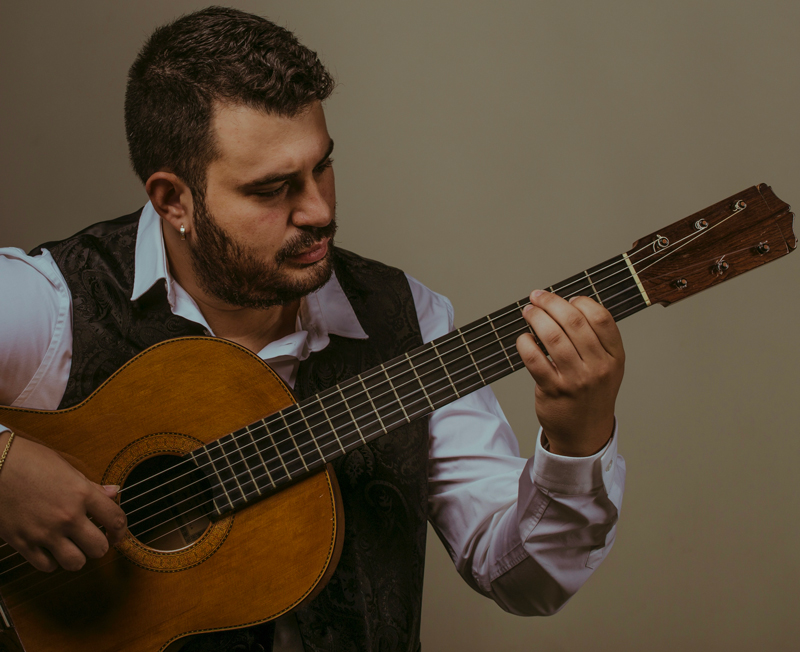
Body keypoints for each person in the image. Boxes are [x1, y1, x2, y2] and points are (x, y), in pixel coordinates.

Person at [0, 7, 626, 652]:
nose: (320, 210)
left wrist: (578, 438)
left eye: (322, 167)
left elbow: (524, 581)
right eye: (273, 189)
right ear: (173, 200)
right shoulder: (51, 303)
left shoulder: (408, 322)